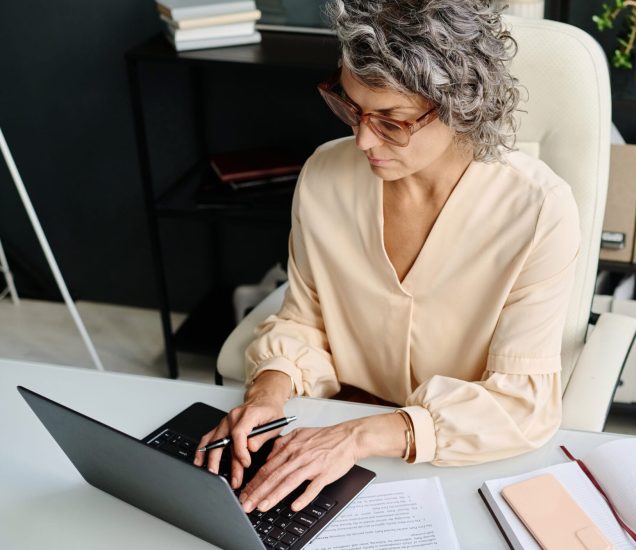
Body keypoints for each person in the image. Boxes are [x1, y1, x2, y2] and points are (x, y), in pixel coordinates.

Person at [192, 0, 580, 516]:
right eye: (352, 108)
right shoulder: (325, 176)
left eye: (392, 121)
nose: (362, 139)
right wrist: (268, 393)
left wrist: (357, 437)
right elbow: (305, 320)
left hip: (457, 458)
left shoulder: (537, 210)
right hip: (330, 426)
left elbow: (520, 403)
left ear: (462, 104)